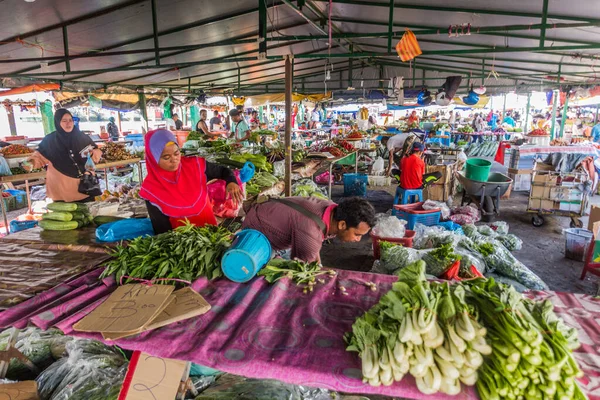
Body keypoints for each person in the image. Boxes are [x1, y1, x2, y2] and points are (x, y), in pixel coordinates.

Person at [140, 129, 244, 234]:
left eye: (177, 153)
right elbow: (162, 232)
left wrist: (231, 181)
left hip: (211, 233)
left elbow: (223, 170)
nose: (174, 159)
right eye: (166, 157)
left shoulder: (194, 165)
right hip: (184, 243)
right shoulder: (151, 190)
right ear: (153, 158)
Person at [242, 197, 376, 263]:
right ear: (342, 225)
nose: (357, 240)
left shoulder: (332, 210)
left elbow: (314, 245)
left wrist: (318, 264)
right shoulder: (311, 232)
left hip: (270, 213)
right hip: (257, 231)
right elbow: (304, 264)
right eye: (357, 235)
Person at [28, 109, 102, 202]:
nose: (68, 123)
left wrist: (91, 158)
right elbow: (39, 157)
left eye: (70, 120)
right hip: (62, 189)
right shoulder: (50, 140)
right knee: (66, 214)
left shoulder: (82, 137)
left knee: (89, 213)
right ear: (58, 122)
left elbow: (96, 151)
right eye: (64, 121)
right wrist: (30, 163)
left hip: (85, 187)